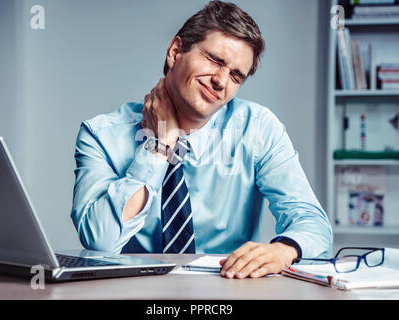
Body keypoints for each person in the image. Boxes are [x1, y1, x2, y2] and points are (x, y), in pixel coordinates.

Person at [71, 0, 333, 279]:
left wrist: (284, 250)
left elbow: (314, 225)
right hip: (132, 288)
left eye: (235, 75)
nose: (221, 80)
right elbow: (99, 241)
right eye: (215, 60)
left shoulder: (257, 128)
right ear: (175, 51)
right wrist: (159, 146)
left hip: (228, 288)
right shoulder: (101, 134)